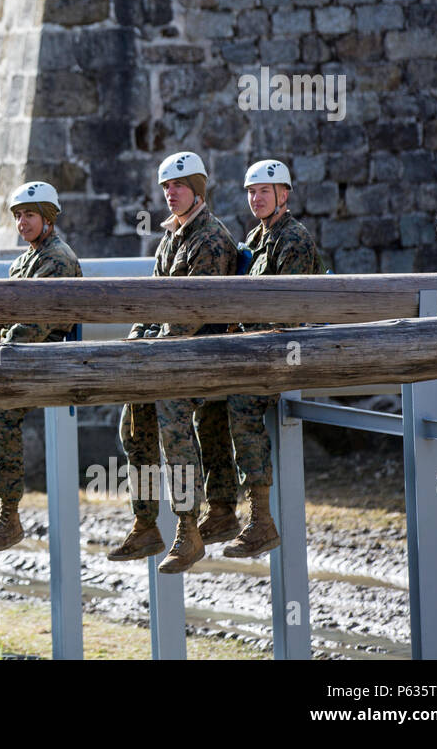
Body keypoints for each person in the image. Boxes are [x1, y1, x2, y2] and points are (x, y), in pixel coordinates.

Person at [108, 152, 237, 574]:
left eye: (178, 185)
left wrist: (152, 353)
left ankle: (188, 528)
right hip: (169, 354)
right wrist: (135, 347)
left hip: (204, 356)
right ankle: (146, 522)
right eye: (166, 187)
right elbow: (151, 304)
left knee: (172, 419)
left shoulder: (210, 238)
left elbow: (192, 314)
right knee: (133, 422)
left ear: (197, 189)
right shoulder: (171, 238)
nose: (171, 193)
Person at [0, 181, 82, 552]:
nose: (23, 222)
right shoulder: (23, 260)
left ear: (47, 218)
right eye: (19, 216)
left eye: (30, 215)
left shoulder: (57, 258)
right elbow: (1, 314)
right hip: (19, 357)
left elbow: (36, 324)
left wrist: (0, 351)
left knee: (0, 413)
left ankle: (9, 516)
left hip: (48, 358)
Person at [222, 160, 323, 557]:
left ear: (284, 195)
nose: (256, 198)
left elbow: (288, 311)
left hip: (286, 348)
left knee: (242, 402)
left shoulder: (292, 239)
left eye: (264, 191)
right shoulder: (257, 237)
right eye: (251, 192)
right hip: (258, 344)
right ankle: (221, 510)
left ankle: (260, 521)